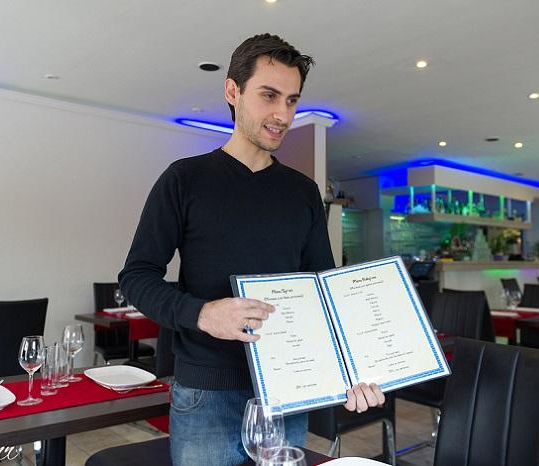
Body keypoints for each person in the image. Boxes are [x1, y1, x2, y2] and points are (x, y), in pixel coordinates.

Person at [118, 33, 384, 466]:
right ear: (233, 91)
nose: (283, 115)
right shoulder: (184, 179)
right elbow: (136, 276)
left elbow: (323, 292)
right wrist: (203, 314)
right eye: (269, 95)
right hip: (206, 395)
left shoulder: (303, 192)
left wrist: (352, 368)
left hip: (288, 390)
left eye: (292, 100)